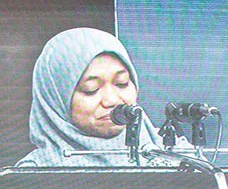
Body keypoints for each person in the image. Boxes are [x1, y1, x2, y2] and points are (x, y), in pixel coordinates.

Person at [15, 27, 165, 167]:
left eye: (122, 83)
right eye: (91, 90)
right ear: (56, 101)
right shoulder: (34, 174)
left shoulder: (177, 155)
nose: (111, 100)